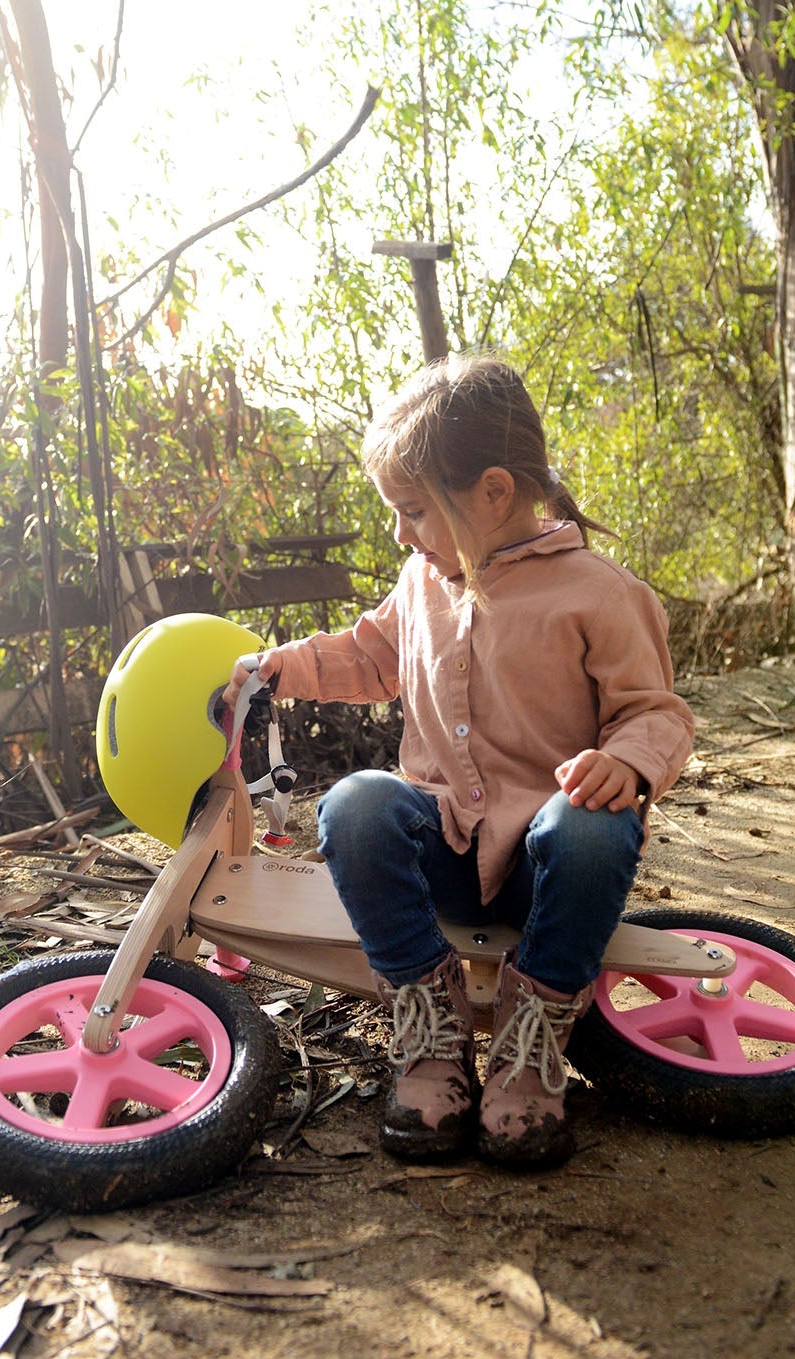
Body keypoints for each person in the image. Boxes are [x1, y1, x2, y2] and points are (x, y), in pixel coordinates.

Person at [223, 354, 694, 1168]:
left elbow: (654, 715)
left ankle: (534, 1030)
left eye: (412, 511)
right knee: (355, 804)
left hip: (545, 866)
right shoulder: (421, 583)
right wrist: (281, 667)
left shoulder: (600, 595)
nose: (399, 534)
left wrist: (627, 764)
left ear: (495, 493)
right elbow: (370, 659)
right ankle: (430, 1020)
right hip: (445, 844)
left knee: (591, 825)